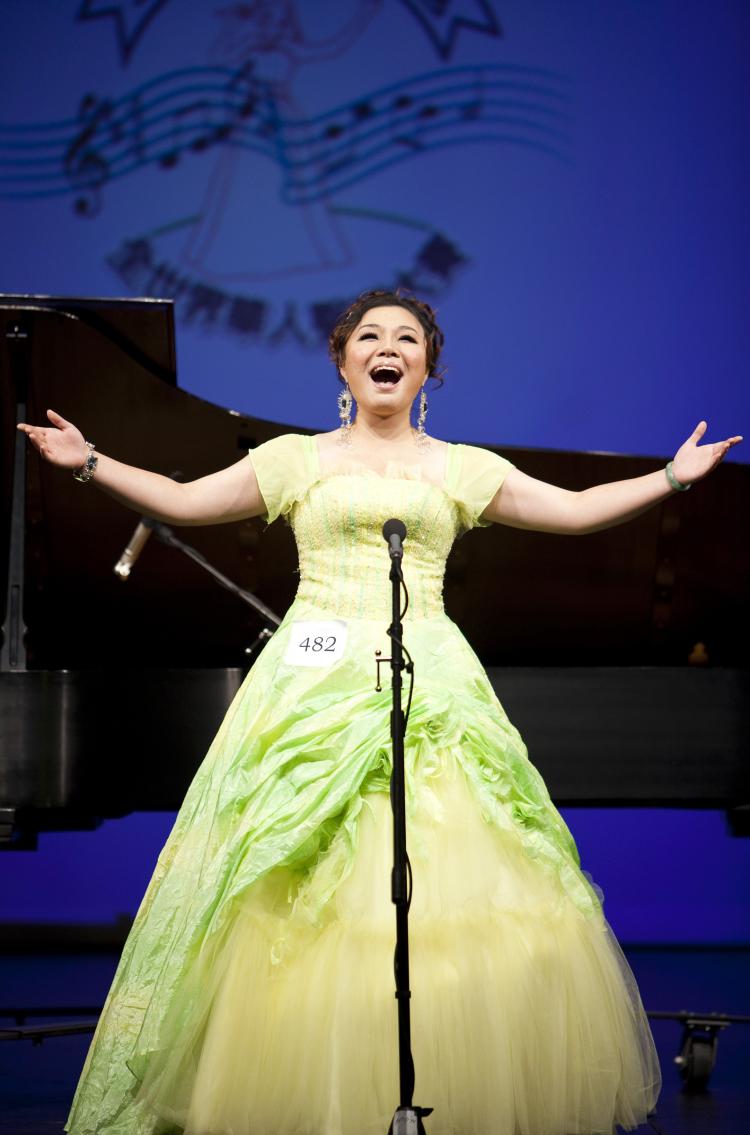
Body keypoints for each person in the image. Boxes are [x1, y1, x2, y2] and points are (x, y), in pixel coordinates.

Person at [18, 290, 742, 1135]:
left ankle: (435, 1081)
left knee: (447, 876)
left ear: (428, 365)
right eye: (370, 336)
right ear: (344, 361)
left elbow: (574, 513)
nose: (387, 347)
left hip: (429, 676)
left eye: (406, 337)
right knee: (290, 879)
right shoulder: (296, 459)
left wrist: (667, 477)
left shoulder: (462, 468)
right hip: (310, 685)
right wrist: (87, 461)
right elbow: (184, 505)